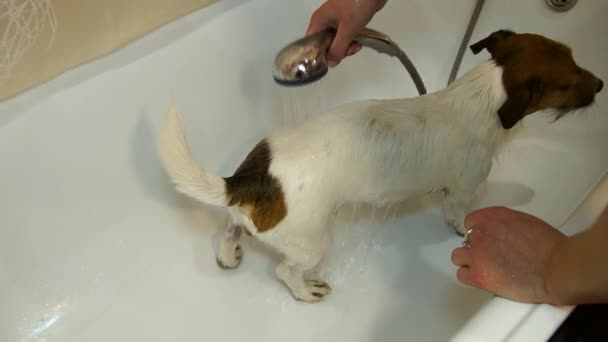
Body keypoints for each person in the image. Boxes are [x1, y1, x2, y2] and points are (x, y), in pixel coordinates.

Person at [306, 0, 608, 305]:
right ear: (518, 104)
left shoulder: (494, 97)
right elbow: (458, 201)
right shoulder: (477, 157)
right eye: (567, 86)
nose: (593, 83)